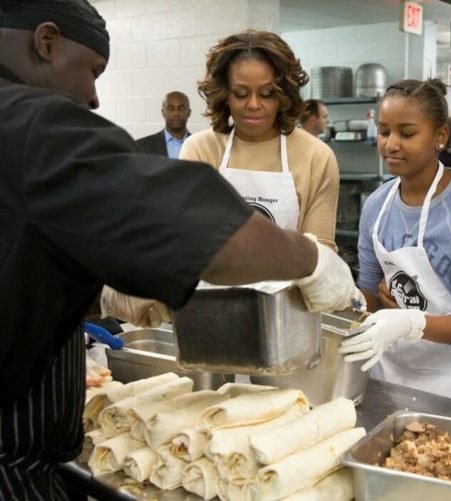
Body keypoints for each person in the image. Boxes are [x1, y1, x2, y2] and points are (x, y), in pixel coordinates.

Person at [0, 1, 363, 498]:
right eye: (92, 71)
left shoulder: (314, 156)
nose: (94, 97)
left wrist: (89, 301)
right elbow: (187, 223)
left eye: (266, 94)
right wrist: (311, 260)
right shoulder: (31, 125)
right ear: (45, 42)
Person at [339, 78, 451, 404]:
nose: (391, 144)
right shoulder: (377, 205)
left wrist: (409, 321)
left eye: (407, 133)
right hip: (389, 367)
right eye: (385, 132)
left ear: (440, 136)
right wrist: (341, 295)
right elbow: (369, 293)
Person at [180, 31, 339, 249]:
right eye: (241, 94)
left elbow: (321, 255)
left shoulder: (316, 157)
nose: (254, 105)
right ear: (225, 94)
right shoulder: (200, 150)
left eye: (266, 94)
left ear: (284, 95)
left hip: (291, 283)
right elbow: (189, 241)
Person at [135, 91, 192, 158]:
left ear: (189, 112)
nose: (176, 114)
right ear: (163, 112)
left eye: (181, 108)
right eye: (170, 109)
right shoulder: (141, 146)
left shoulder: (199, 145)